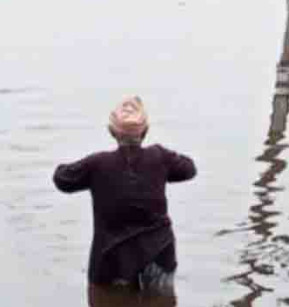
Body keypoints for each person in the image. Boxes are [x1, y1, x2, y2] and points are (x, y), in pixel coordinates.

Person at [53, 96, 196, 294]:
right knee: (160, 304)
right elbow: (189, 169)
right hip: (158, 253)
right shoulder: (160, 157)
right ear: (145, 131)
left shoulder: (97, 164)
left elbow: (62, 179)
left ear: (112, 132)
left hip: (111, 259)